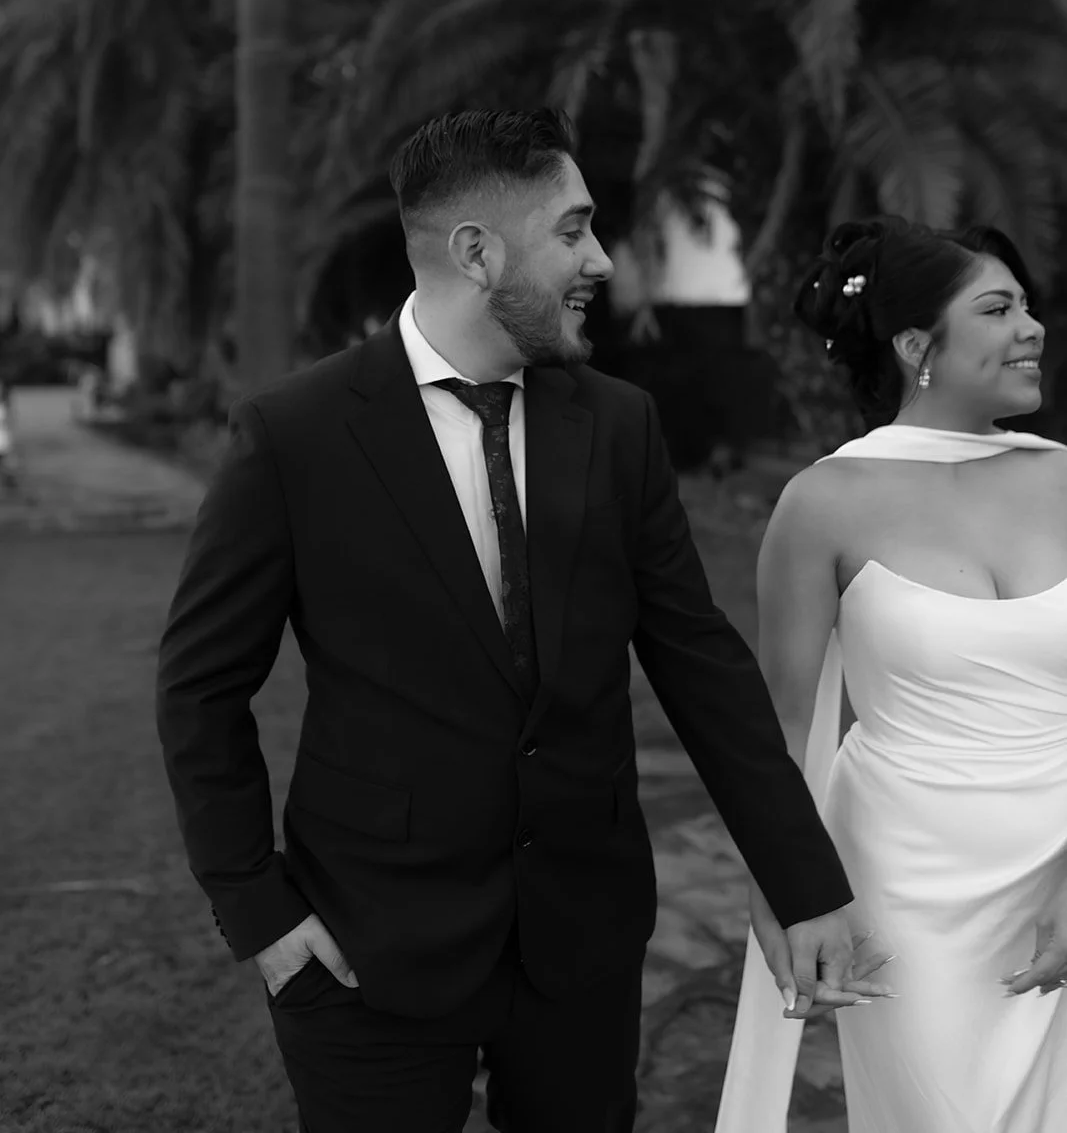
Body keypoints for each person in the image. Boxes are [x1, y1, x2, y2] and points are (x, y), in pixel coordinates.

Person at [156, 109, 867, 1133]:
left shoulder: (617, 425)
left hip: (580, 946)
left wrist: (803, 881)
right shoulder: (294, 436)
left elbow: (698, 662)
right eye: (573, 230)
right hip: (364, 950)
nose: (602, 259)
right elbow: (198, 687)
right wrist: (260, 915)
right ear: (477, 252)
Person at [715, 216, 1067, 1133]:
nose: (1031, 327)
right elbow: (782, 731)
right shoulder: (822, 504)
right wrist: (785, 905)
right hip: (909, 892)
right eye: (997, 309)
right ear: (916, 344)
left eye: (1027, 306)